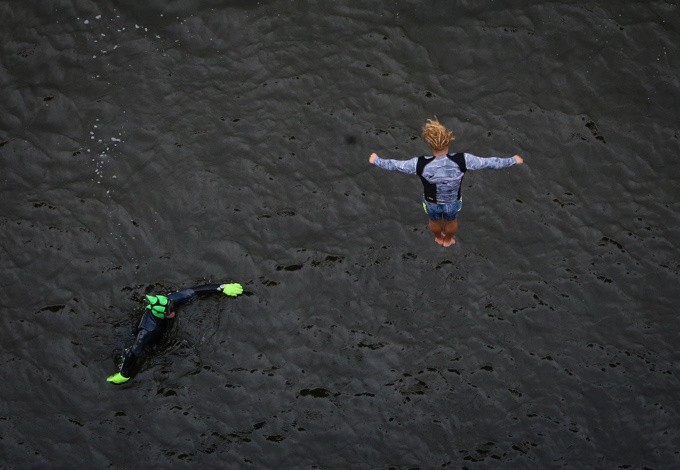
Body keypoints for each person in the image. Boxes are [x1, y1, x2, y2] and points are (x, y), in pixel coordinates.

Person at [368, 118, 524, 247]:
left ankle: (438, 237)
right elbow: (490, 162)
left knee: (433, 220)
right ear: (448, 140)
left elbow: (395, 165)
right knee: (451, 219)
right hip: (452, 201)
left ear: (430, 144)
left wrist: (376, 160)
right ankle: (448, 239)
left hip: (431, 202)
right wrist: (512, 160)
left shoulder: (420, 164)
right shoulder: (463, 160)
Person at [106, 282, 244, 384]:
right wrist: (124, 374)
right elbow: (134, 351)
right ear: (161, 314)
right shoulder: (147, 331)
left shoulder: (171, 299)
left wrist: (220, 288)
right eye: (169, 311)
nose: (173, 310)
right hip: (153, 339)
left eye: (172, 307)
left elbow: (194, 291)